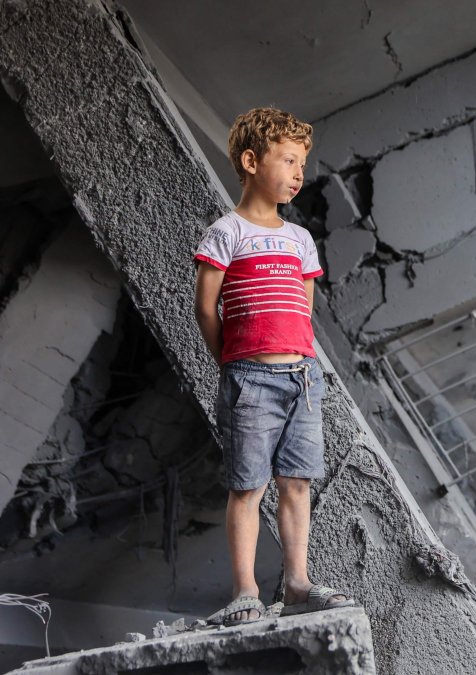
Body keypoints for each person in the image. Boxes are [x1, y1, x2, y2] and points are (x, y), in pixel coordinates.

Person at [193, 107, 354, 625]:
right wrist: (233, 363)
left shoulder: (300, 240)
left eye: (301, 163)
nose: (298, 172)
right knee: (248, 486)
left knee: (297, 483)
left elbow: (302, 308)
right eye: (287, 160)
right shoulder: (225, 232)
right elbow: (205, 307)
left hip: (301, 379)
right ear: (250, 161)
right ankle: (245, 591)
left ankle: (298, 583)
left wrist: (295, 358)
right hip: (250, 379)